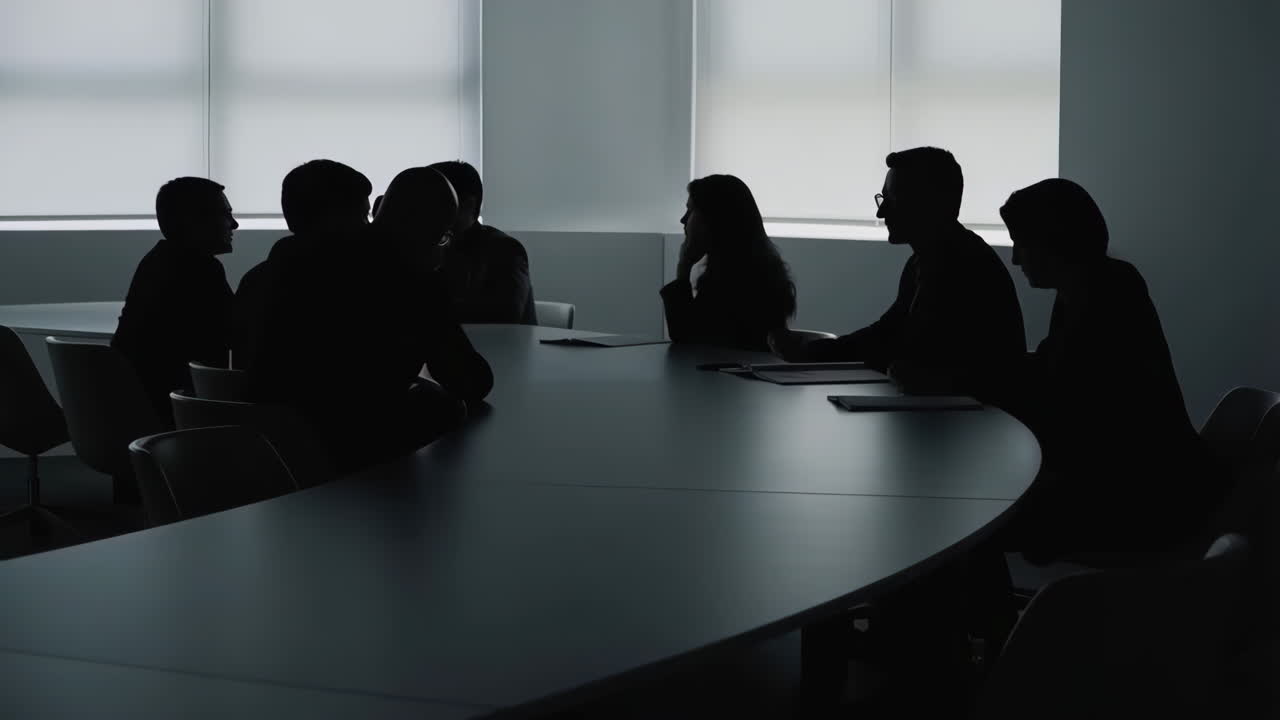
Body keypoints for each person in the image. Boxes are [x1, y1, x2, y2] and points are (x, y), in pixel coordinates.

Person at [993, 178, 1224, 557]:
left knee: (983, 518)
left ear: (1053, 240)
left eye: (1022, 243)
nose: (1016, 258)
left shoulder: (1101, 298)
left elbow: (1069, 399)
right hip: (1144, 486)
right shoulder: (1099, 285)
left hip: (1140, 502)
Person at [248, 166, 493, 474]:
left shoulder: (269, 270)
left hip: (267, 462)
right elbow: (470, 379)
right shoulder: (411, 280)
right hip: (361, 468)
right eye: (443, 236)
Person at [769, 147, 1025, 397]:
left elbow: (899, 346)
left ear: (927, 202)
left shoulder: (961, 266)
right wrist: (812, 351)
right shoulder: (928, 260)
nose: (880, 212)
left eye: (891, 199)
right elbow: (887, 335)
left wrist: (813, 352)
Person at [112, 177, 236, 425]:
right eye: (224, 215)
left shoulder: (156, 261)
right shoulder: (201, 270)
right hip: (184, 418)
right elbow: (239, 332)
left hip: (136, 412)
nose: (234, 224)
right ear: (194, 222)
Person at [233, 160, 372, 371]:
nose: (367, 227)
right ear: (334, 218)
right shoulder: (346, 284)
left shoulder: (256, 279)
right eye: (362, 216)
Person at [660, 175, 797, 351]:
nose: (683, 220)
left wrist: (684, 265)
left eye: (691, 211)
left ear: (714, 218)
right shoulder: (750, 267)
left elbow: (687, 338)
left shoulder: (742, 280)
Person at [427, 161, 536, 325]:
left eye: (437, 200)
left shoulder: (505, 250)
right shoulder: (427, 246)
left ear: (467, 205)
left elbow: (505, 315)